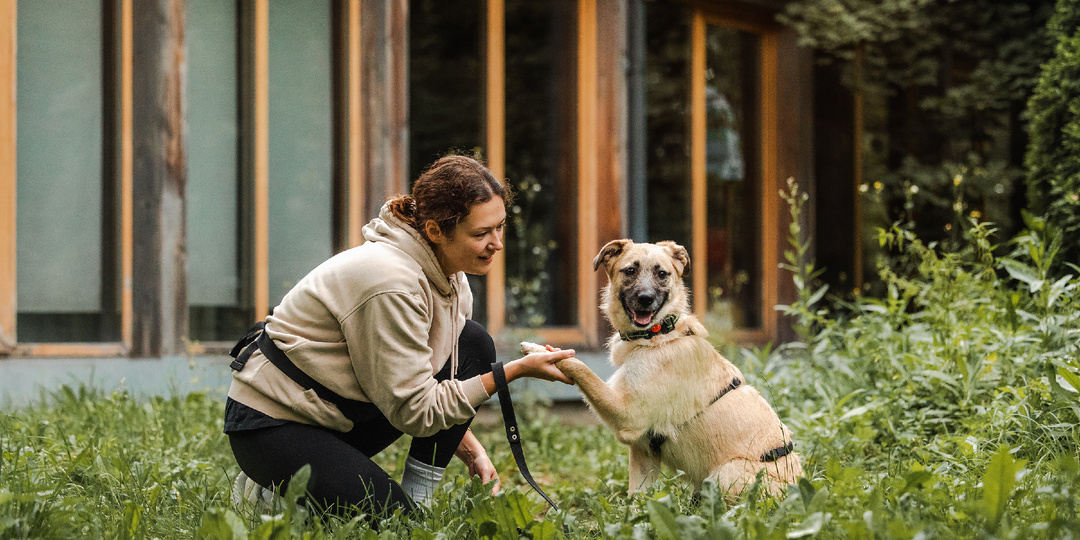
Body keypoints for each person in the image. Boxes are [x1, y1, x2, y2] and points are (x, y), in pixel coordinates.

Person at [224, 154, 576, 517]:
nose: (497, 243)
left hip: (338, 413)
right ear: (436, 231)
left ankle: (413, 501)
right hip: (273, 424)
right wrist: (511, 372)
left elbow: (424, 380)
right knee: (394, 524)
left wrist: (471, 449)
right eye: (481, 233)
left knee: (472, 345)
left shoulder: (450, 277)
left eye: (500, 227)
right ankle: (266, 492)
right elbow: (416, 411)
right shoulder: (391, 283)